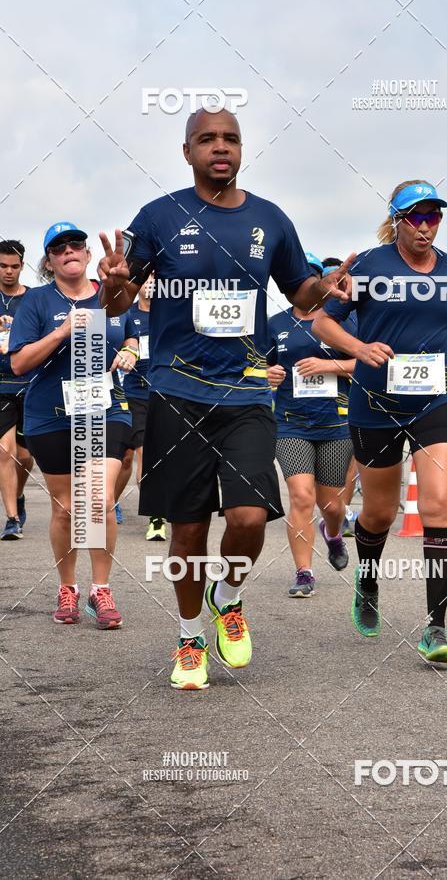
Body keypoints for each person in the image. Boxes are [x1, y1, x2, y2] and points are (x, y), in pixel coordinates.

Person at [98, 107, 354, 691]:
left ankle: (228, 597)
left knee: (248, 517)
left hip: (245, 391)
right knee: (187, 532)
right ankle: (190, 638)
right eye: (207, 139)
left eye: (231, 138)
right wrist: (115, 284)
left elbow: (301, 292)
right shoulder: (159, 217)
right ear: (186, 151)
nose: (221, 147)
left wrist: (326, 288)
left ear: (242, 150)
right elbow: (117, 304)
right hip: (175, 392)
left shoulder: (270, 219)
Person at [313, 180, 447, 663]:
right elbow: (322, 323)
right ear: (397, 219)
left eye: (434, 216)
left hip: (439, 397)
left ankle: (436, 625)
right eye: (417, 216)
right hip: (377, 402)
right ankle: (367, 580)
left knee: (439, 506)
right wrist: (358, 348)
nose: (426, 225)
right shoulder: (369, 266)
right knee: (380, 513)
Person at [9, 222, 138, 627]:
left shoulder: (109, 293)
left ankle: (101, 590)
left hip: (106, 408)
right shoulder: (37, 303)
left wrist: (131, 349)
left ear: (86, 254)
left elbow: (131, 332)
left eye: (76, 244)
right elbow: (18, 362)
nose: (69, 250)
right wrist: (63, 330)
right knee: (66, 510)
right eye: (59, 247)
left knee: (98, 501)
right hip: (51, 413)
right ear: (49, 261)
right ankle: (68, 588)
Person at [267, 254, 356, 597]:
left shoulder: (343, 323)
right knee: (301, 496)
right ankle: (304, 572)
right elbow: (256, 368)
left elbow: (368, 364)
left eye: (310, 276)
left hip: (336, 423)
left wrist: (329, 366)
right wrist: (268, 374)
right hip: (290, 425)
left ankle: (332, 534)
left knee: (331, 506)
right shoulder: (275, 324)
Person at [114, 278, 167, 541]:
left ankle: (158, 514)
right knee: (128, 457)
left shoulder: (170, 312)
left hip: (166, 394)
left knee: (157, 455)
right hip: (134, 393)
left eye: (155, 280)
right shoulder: (128, 313)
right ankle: (110, 503)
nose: (151, 284)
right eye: (146, 280)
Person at [323, 257, 360, 536]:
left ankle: (343, 511)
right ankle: (334, 511)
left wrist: (330, 366)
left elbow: (365, 362)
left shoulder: (353, 315)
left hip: (347, 402)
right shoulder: (292, 319)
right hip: (300, 412)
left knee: (349, 463)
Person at [0, 240, 33, 539]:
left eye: (14, 266)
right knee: (4, 451)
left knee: (25, 457)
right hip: (1, 386)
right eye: (2, 266)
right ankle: (11, 518)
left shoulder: (34, 299)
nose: (8, 272)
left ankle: (19, 496)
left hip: (31, 384)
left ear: (22, 266)